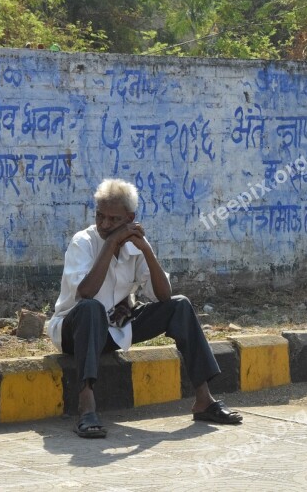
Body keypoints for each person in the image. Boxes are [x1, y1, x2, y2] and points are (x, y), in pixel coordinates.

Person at [48, 178, 243, 438]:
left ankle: (204, 400)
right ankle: (86, 407)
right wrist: (111, 243)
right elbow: (85, 292)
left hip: (114, 328)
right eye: (100, 217)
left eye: (114, 220)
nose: (105, 225)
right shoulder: (83, 242)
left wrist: (146, 250)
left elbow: (163, 295)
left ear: (130, 218)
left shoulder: (134, 247)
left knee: (179, 306)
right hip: (75, 330)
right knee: (91, 308)